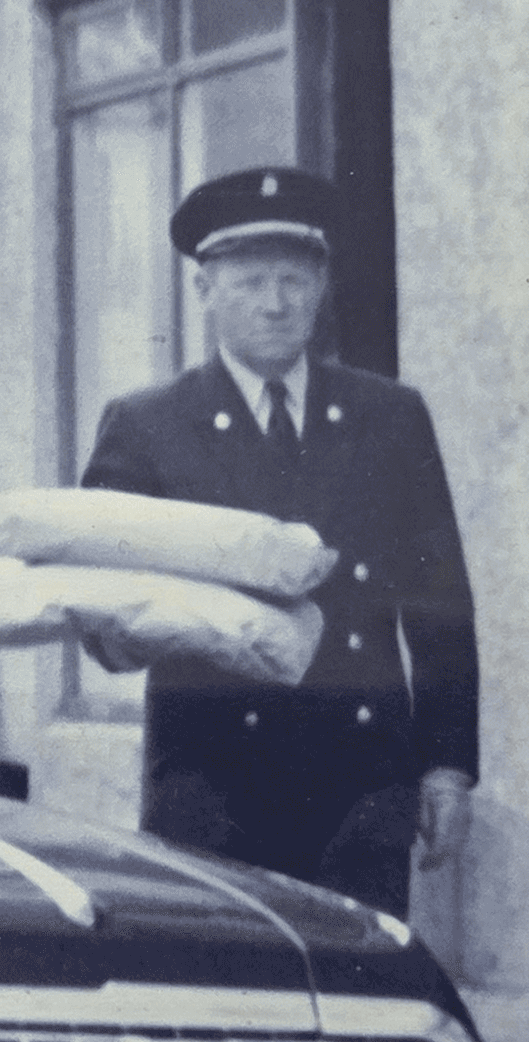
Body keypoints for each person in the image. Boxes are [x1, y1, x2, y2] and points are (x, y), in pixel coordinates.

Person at [79, 165, 479, 918]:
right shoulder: (146, 425)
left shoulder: (389, 417)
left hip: (362, 782)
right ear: (205, 291)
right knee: (224, 1000)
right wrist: (120, 636)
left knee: (359, 1005)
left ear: (321, 285)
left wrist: (448, 769)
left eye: (293, 279)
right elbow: (100, 610)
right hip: (210, 786)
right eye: (250, 281)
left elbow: (439, 600)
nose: (274, 303)